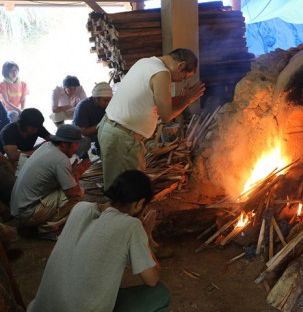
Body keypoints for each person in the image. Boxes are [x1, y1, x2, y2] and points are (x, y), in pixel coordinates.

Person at [27, 170, 171, 312]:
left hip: (39, 311)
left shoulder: (79, 208)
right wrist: (146, 238)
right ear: (139, 203)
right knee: (160, 295)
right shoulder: (131, 226)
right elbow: (152, 279)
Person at [98, 48, 205, 189]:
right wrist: (188, 100)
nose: (179, 81)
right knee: (127, 194)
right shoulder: (162, 73)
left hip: (112, 130)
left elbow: (159, 101)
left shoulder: (146, 62)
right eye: (183, 77)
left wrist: (183, 98)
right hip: (122, 138)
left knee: (119, 190)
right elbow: (166, 116)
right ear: (181, 65)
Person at [10, 124, 90, 238]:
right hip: (27, 213)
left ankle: (39, 222)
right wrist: (77, 173)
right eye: (75, 144)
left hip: (18, 208)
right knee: (78, 193)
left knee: (66, 186)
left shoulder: (47, 146)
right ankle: (45, 228)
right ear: (64, 143)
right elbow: (72, 192)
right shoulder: (60, 159)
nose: (77, 147)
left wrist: (71, 173)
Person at [0, 108, 51, 173]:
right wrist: (37, 152)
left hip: (24, 153)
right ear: (23, 124)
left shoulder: (37, 127)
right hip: (4, 158)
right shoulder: (8, 131)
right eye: (32, 128)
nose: (35, 130)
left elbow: (51, 139)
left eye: (37, 128)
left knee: (48, 145)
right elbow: (13, 156)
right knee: (11, 163)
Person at [72, 82, 112, 158]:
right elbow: (83, 132)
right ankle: (82, 157)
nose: (108, 103)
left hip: (97, 131)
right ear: (96, 98)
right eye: (105, 100)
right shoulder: (83, 106)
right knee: (84, 143)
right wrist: (102, 123)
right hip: (80, 135)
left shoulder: (108, 104)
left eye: (110, 100)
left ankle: (97, 148)